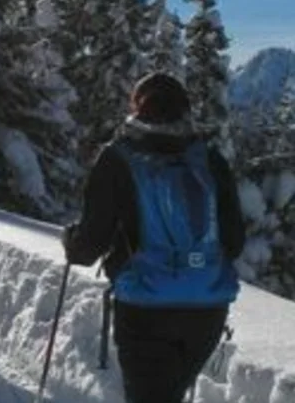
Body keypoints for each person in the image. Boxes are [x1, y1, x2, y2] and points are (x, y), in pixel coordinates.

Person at [63, 73, 244, 403]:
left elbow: (89, 246)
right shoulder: (209, 159)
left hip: (145, 308)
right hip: (207, 308)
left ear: (137, 108)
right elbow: (234, 242)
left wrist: (72, 243)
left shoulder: (118, 157)